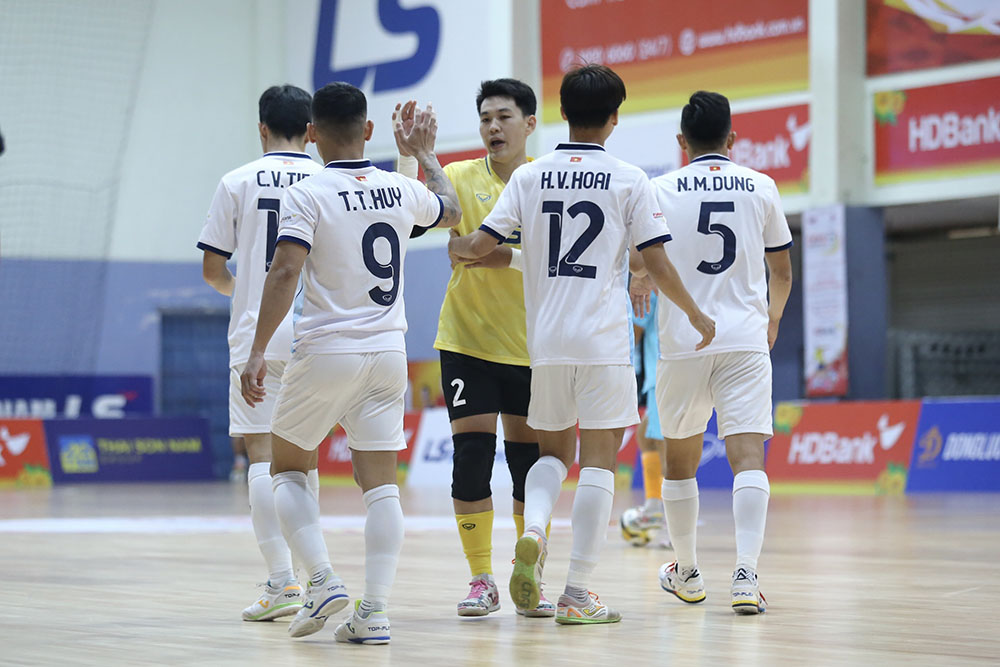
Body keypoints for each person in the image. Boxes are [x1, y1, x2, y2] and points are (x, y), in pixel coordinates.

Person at [449, 64, 715, 625]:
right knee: (597, 465)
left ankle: (537, 530)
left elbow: (478, 244)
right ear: (614, 119)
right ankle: (576, 592)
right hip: (602, 343)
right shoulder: (629, 178)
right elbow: (655, 262)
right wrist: (691, 310)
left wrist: (459, 243)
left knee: (551, 457)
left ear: (561, 113)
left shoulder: (528, 177)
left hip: (543, 344)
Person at [240, 82, 461, 644]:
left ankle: (319, 580)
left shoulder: (308, 193)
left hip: (327, 350)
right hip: (389, 353)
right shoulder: (398, 188)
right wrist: (426, 154)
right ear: (368, 131)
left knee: (286, 466)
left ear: (312, 135)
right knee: (380, 485)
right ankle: (376, 611)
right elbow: (452, 209)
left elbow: (286, 271)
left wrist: (259, 349)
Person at [396, 79, 555, 618]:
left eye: (504, 117)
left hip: (535, 346)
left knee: (528, 462)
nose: (493, 127)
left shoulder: (543, 184)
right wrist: (419, 156)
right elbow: (430, 221)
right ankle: (481, 578)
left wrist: (485, 250)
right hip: (466, 342)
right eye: (486, 117)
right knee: (470, 460)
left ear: (529, 124)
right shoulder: (461, 176)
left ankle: (525, 572)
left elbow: (529, 256)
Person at [641, 90, 793, 615]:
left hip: (684, 342)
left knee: (679, 464)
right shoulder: (762, 186)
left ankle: (686, 571)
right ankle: (747, 576)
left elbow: (646, 266)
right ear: (733, 138)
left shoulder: (658, 188)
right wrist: (771, 320)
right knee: (748, 459)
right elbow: (782, 272)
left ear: (681, 142)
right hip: (745, 341)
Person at [197, 84, 321, 622]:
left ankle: (282, 582)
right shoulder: (329, 178)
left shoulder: (235, 181)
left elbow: (211, 271)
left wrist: (247, 291)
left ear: (262, 128)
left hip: (256, 337)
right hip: (319, 336)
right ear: (311, 131)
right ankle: (318, 577)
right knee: (303, 460)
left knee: (261, 458)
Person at [619, 292, 670, 548]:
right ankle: (652, 509)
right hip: (660, 373)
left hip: (663, 372)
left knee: (665, 447)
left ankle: (672, 527)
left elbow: (634, 332)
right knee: (647, 436)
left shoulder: (650, 287)